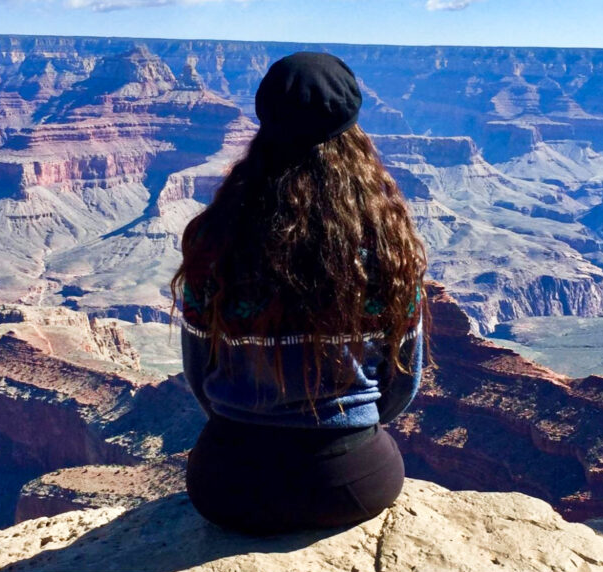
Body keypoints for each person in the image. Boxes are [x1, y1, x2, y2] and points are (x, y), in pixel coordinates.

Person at [171, 51, 428, 535]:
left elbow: (199, 371)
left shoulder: (215, 238)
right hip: (350, 482)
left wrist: (246, 418)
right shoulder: (387, 246)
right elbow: (402, 384)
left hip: (227, 484)